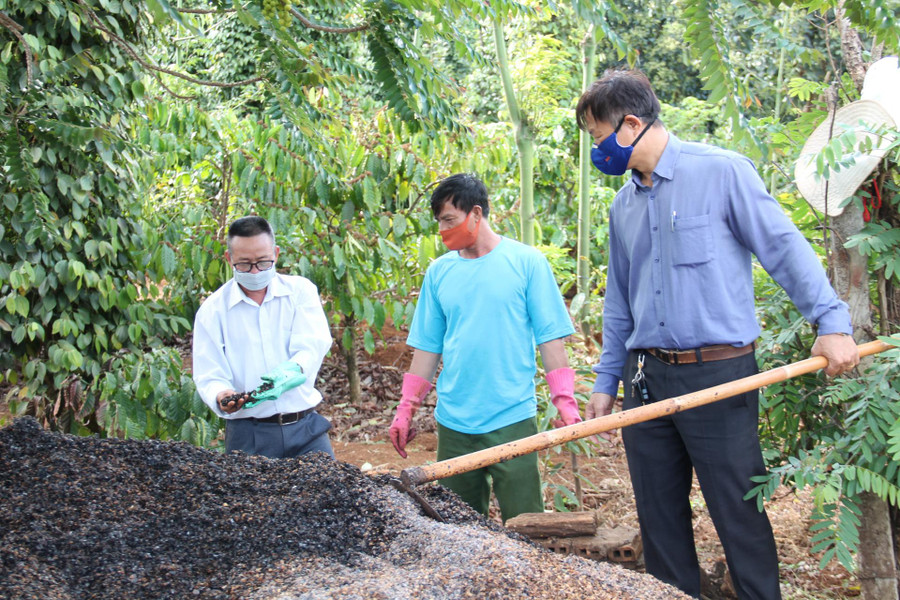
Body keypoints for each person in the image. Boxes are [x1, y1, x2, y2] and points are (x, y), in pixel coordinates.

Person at [576, 69, 860, 600]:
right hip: (645, 379)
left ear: (631, 125)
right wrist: (606, 380)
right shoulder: (623, 206)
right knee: (659, 517)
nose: (598, 150)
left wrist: (832, 322)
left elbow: (783, 248)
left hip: (720, 375)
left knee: (737, 512)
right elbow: (619, 301)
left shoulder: (722, 172)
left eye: (599, 137)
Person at [389, 173, 579, 522]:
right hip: (455, 422)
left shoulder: (526, 263)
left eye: (450, 220)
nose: (443, 230)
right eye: (440, 222)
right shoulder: (439, 273)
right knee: (458, 527)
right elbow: (427, 349)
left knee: (525, 526)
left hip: (512, 418)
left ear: (476, 213)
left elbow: (550, 339)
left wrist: (565, 403)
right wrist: (406, 409)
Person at [193, 216, 335, 459]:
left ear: (276, 254)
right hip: (248, 435)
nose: (255, 271)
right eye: (244, 264)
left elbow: (313, 345)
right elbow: (209, 372)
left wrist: (292, 370)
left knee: (331, 484)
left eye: (262, 262)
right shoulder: (213, 311)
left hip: (305, 430)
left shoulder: (300, 292)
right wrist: (222, 394)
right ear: (229, 259)